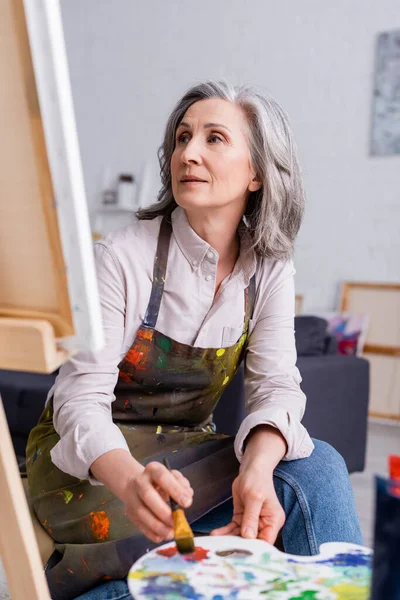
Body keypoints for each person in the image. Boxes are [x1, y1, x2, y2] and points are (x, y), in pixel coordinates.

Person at [26, 80, 362, 600]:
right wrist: (132, 481)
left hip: (186, 455)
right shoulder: (119, 258)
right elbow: (78, 404)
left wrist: (256, 469)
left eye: (214, 138)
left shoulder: (268, 268)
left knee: (317, 465)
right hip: (93, 468)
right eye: (183, 137)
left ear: (256, 173)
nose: (189, 152)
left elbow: (276, 387)